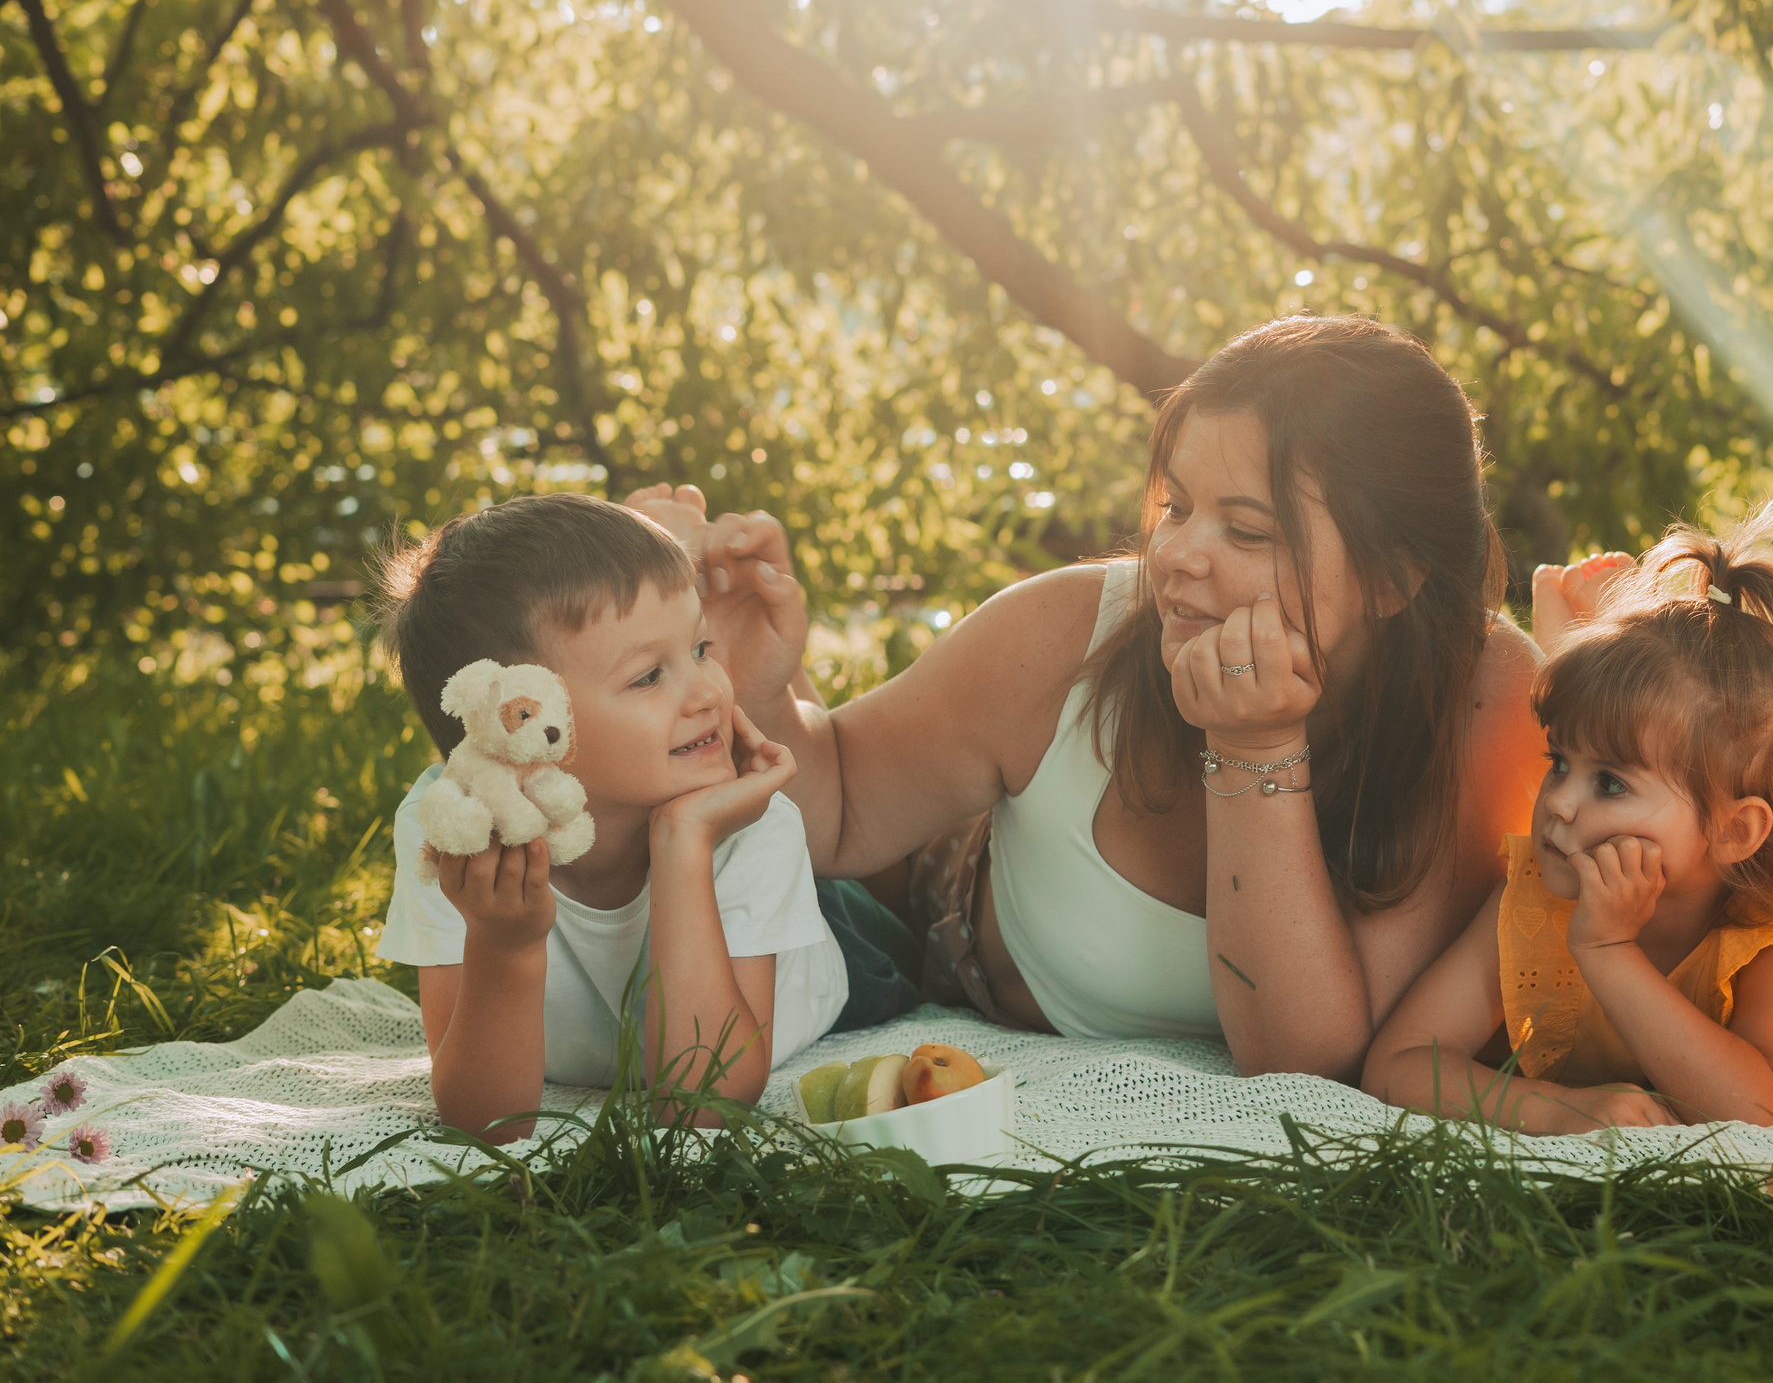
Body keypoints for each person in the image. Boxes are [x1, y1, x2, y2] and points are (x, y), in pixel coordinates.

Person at [632, 316, 1550, 1080]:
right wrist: (747, 674)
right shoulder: (1064, 632)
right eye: (1180, 506)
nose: (1179, 555)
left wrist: (1256, 746)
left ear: (1394, 578)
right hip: (906, 930)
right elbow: (838, 810)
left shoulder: (1486, 699)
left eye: (1247, 528)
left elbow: (1310, 1059)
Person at [373, 494, 914, 1143]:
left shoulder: (751, 821)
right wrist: (504, 946)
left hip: (845, 951)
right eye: (648, 676)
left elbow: (702, 1105)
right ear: (510, 732)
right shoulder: (455, 832)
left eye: (702, 646)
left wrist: (684, 841)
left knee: (924, 918)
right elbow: (486, 1120)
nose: (710, 690)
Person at [1363, 508, 1773, 1132]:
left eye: (1610, 782)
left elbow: (1766, 1108)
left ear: (1734, 831)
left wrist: (1608, 952)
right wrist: (1561, 1109)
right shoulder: (1533, 901)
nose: (1559, 802)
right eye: (1558, 762)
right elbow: (1397, 1064)